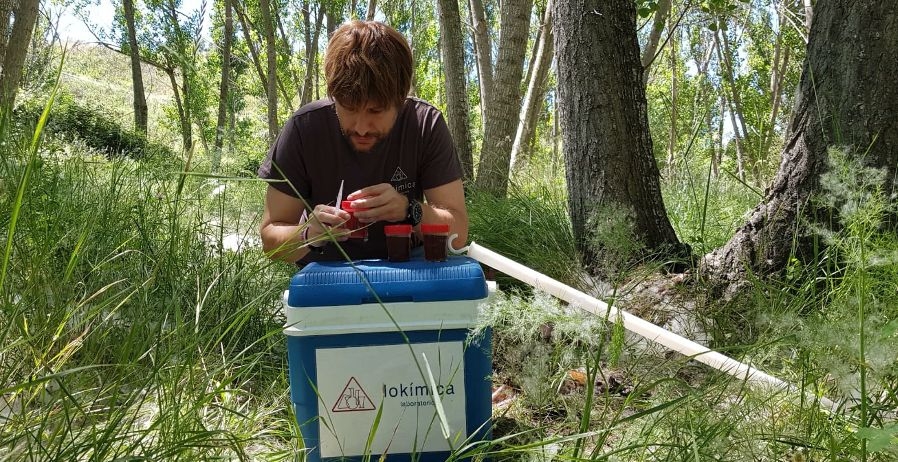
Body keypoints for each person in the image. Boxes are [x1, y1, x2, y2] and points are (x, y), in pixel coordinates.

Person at [258, 20, 468, 265]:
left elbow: (459, 233)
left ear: (400, 100)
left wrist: (409, 210)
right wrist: (309, 233)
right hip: (326, 280)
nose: (361, 127)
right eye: (348, 108)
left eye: (375, 111)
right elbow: (271, 242)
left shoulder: (425, 125)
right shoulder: (305, 128)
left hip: (410, 273)